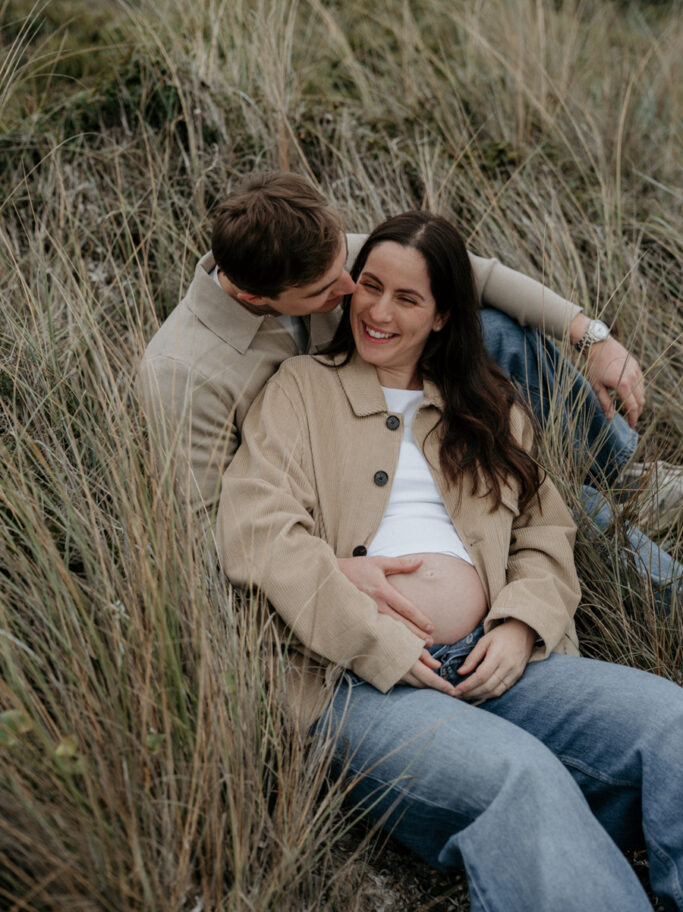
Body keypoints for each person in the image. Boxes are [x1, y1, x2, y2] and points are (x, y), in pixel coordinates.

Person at [216, 212, 683, 912]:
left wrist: (520, 627)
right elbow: (259, 530)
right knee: (519, 778)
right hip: (355, 681)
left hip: (500, 665)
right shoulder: (299, 389)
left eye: (406, 299)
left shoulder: (488, 405)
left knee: (671, 723)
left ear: (441, 316)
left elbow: (543, 534)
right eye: (368, 286)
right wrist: (371, 636)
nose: (376, 310)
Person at [137, 171, 680, 595]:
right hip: (331, 491)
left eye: (349, 267)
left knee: (498, 331)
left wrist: (590, 336)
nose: (353, 288)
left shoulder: (303, 249)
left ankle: (623, 475)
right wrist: (322, 569)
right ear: (255, 297)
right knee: (570, 505)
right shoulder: (182, 375)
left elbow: (474, 275)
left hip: (405, 409)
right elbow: (205, 526)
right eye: (331, 288)